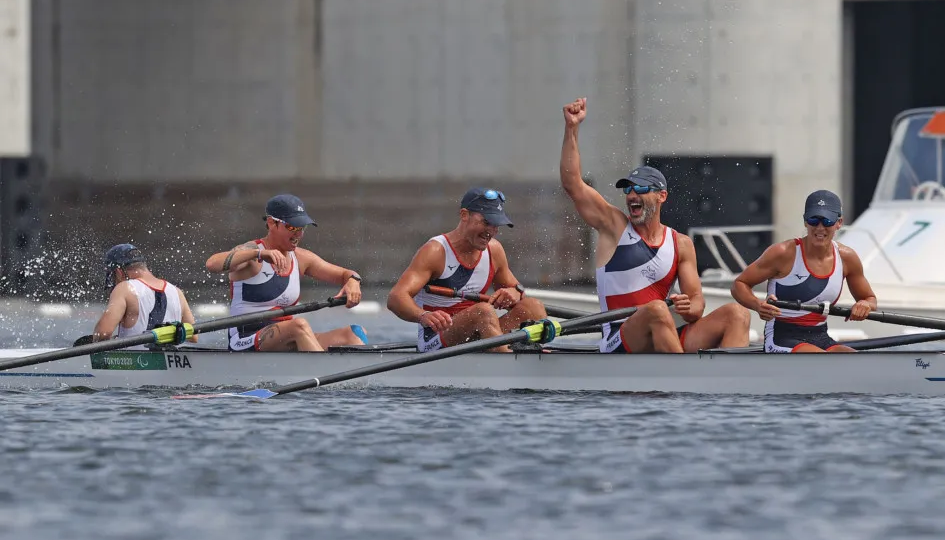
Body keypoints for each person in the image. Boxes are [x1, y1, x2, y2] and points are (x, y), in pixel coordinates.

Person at [558, 97, 750, 353]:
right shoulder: (614, 227)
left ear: (661, 196)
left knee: (737, 314)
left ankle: (730, 387)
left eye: (640, 189)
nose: (631, 195)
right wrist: (572, 128)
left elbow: (697, 304)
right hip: (619, 339)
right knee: (658, 309)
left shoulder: (680, 244)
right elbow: (573, 184)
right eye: (628, 189)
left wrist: (688, 308)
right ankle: (685, 383)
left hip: (662, 333)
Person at [387, 187, 547, 353]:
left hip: (479, 332)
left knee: (533, 307)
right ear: (464, 215)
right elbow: (396, 298)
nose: (491, 231)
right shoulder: (435, 251)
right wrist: (423, 316)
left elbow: (518, 291)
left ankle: (516, 358)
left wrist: (514, 293)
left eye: (496, 225)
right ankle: (507, 362)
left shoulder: (494, 251)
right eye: (486, 222)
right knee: (483, 311)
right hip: (437, 338)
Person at [205, 193, 365, 352]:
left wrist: (353, 281)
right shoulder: (251, 252)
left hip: (287, 336)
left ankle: (351, 376)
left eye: (302, 228)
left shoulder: (301, 258)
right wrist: (259, 254)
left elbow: (346, 274)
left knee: (354, 333)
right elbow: (212, 264)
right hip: (245, 339)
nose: (298, 234)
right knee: (299, 325)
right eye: (292, 227)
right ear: (271, 223)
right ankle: (323, 372)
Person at [731, 190, 877, 352]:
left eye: (827, 221)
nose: (819, 228)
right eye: (813, 220)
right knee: (826, 362)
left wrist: (864, 305)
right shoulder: (783, 253)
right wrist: (758, 305)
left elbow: (869, 298)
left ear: (839, 222)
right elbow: (739, 284)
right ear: (805, 221)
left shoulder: (847, 258)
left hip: (820, 336)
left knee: (857, 362)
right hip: (781, 336)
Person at [93, 243, 198, 347]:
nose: (113, 281)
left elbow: (103, 333)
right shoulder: (177, 291)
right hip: (173, 359)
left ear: (119, 272)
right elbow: (193, 336)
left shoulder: (125, 289)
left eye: (113, 276)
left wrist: (102, 338)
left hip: (138, 361)